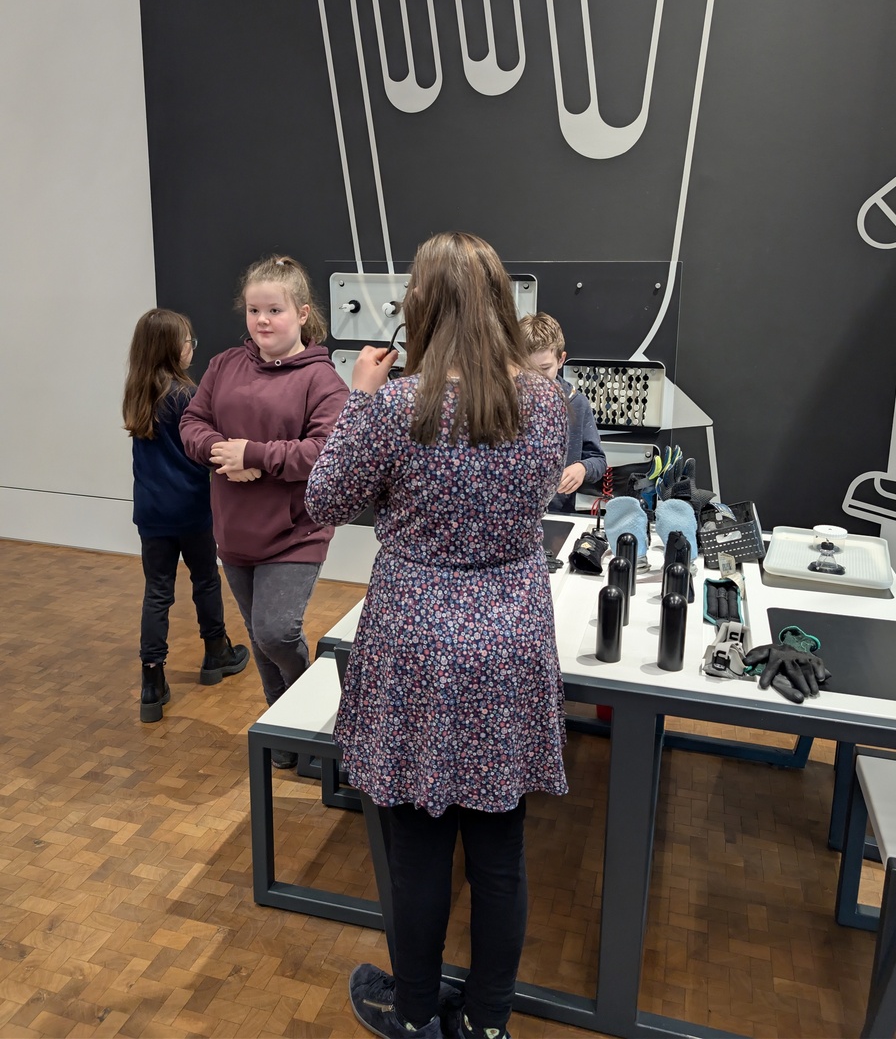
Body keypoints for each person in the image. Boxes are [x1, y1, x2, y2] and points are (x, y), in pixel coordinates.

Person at [306, 232, 569, 1039]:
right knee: (499, 850)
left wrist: (357, 396)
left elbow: (324, 498)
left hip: (416, 639)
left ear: (419, 305)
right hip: (512, 634)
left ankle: (416, 1011)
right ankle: (487, 1023)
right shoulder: (547, 402)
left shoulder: (395, 408)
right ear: (500, 305)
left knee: (418, 846)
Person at [179, 255, 348, 767]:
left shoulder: (323, 380)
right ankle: (284, 728)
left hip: (296, 533)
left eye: (275, 310)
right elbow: (192, 422)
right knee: (260, 638)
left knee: (276, 632)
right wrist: (220, 452)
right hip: (234, 531)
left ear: (302, 313)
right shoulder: (224, 365)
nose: (263, 321)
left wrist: (253, 455)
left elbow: (324, 452)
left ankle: (313, 715)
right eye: (254, 310)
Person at [123, 309, 250, 724]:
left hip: (151, 512)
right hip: (192, 509)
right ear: (172, 349)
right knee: (205, 580)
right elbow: (206, 449)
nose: (191, 346)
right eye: (187, 340)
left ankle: (152, 680)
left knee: (157, 591)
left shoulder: (137, 393)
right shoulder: (185, 396)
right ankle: (216, 651)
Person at [520, 312, 607, 513]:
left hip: (559, 514)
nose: (536, 379)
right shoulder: (503, 403)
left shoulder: (577, 403)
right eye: (527, 369)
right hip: (513, 515)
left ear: (561, 360)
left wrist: (582, 468)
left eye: (545, 369)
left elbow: (598, 460)